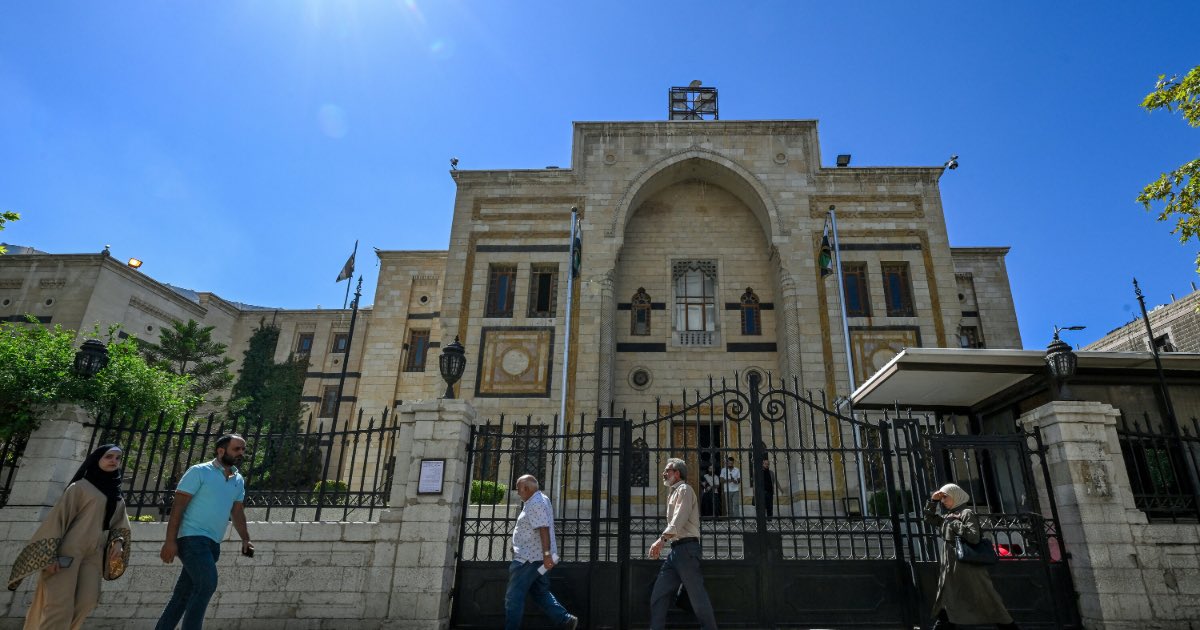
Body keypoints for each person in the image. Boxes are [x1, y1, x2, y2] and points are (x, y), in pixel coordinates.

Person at [7, 444, 131, 630]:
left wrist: (119, 542)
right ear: (97, 459)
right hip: (66, 552)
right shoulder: (79, 487)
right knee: (59, 607)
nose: (114, 461)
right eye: (109, 457)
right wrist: (49, 555)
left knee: (87, 602)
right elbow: (58, 520)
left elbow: (119, 522)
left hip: (94, 555)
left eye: (117, 458)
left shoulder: (116, 494)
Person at [155, 434, 254, 630]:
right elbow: (178, 508)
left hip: (212, 544)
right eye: (237, 449)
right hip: (191, 540)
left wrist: (245, 539)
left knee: (182, 596)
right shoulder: (199, 471)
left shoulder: (238, 479)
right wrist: (170, 541)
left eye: (243, 449)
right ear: (221, 451)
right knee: (207, 585)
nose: (241, 453)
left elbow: (237, 511)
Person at [925, 483, 1019, 630]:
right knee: (946, 600)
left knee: (986, 599)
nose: (943, 501)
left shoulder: (966, 513)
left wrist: (955, 523)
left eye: (945, 497)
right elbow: (929, 519)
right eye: (942, 498)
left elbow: (974, 537)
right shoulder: (948, 515)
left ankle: (1008, 626)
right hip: (950, 566)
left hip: (966, 567)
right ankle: (943, 624)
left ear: (955, 496)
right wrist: (933, 501)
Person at [648, 458, 717, 630]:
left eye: (667, 470)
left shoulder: (685, 490)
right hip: (675, 552)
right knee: (659, 594)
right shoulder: (673, 492)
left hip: (687, 550)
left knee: (698, 598)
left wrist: (661, 540)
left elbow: (679, 519)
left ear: (677, 473)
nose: (664, 473)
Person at [504, 475, 578, 630]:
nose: (518, 492)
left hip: (528, 560)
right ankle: (565, 620)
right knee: (540, 591)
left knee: (513, 597)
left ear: (527, 488)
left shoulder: (535, 503)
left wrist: (546, 555)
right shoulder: (539, 499)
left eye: (518, 489)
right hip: (538, 559)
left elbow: (543, 528)